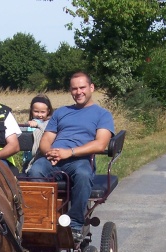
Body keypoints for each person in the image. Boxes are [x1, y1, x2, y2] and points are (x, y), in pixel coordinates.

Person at [27, 72, 114, 242]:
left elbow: (100, 144)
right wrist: (48, 152)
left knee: (83, 174)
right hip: (54, 158)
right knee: (35, 170)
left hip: (80, 160)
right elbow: (46, 140)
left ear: (91, 88)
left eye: (82, 87)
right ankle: (43, 219)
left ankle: (74, 225)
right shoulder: (61, 112)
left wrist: (70, 152)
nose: (78, 92)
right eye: (74, 88)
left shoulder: (102, 115)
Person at [22, 94, 53, 172]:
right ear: (31, 110)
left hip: (40, 157)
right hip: (28, 159)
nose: (39, 115)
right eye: (36, 111)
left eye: (42, 112)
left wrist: (37, 124)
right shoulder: (29, 124)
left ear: (48, 111)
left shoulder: (50, 123)